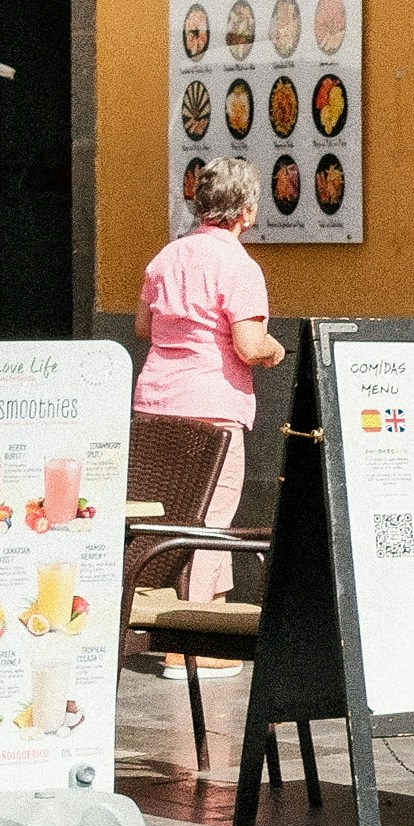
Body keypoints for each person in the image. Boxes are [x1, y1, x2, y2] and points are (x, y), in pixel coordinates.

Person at [134, 158, 284, 603]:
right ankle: (189, 644)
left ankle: (170, 617)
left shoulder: (166, 256)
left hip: (155, 403)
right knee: (209, 523)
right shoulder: (240, 266)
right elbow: (249, 344)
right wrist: (274, 348)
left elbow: (145, 325)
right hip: (212, 408)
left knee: (168, 520)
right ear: (248, 213)